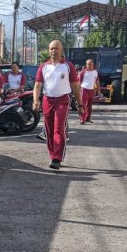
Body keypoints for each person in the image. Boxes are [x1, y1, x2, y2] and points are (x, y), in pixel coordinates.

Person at [32, 40, 84, 170]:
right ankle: (53, 155)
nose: (53, 51)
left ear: (61, 51)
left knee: (58, 128)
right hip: (47, 100)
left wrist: (80, 104)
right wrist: (35, 100)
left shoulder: (68, 66)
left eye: (56, 48)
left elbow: (75, 87)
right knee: (49, 130)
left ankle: (57, 158)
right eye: (51, 49)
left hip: (62, 100)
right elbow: (37, 85)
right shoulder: (43, 67)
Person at [78, 59, 100, 124]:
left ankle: (88, 118)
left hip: (91, 90)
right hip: (84, 89)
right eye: (87, 64)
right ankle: (82, 119)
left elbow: (97, 81)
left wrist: (98, 90)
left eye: (90, 64)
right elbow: (79, 82)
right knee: (83, 105)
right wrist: (78, 91)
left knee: (89, 106)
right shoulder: (83, 72)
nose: (88, 65)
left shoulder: (95, 72)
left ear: (93, 64)